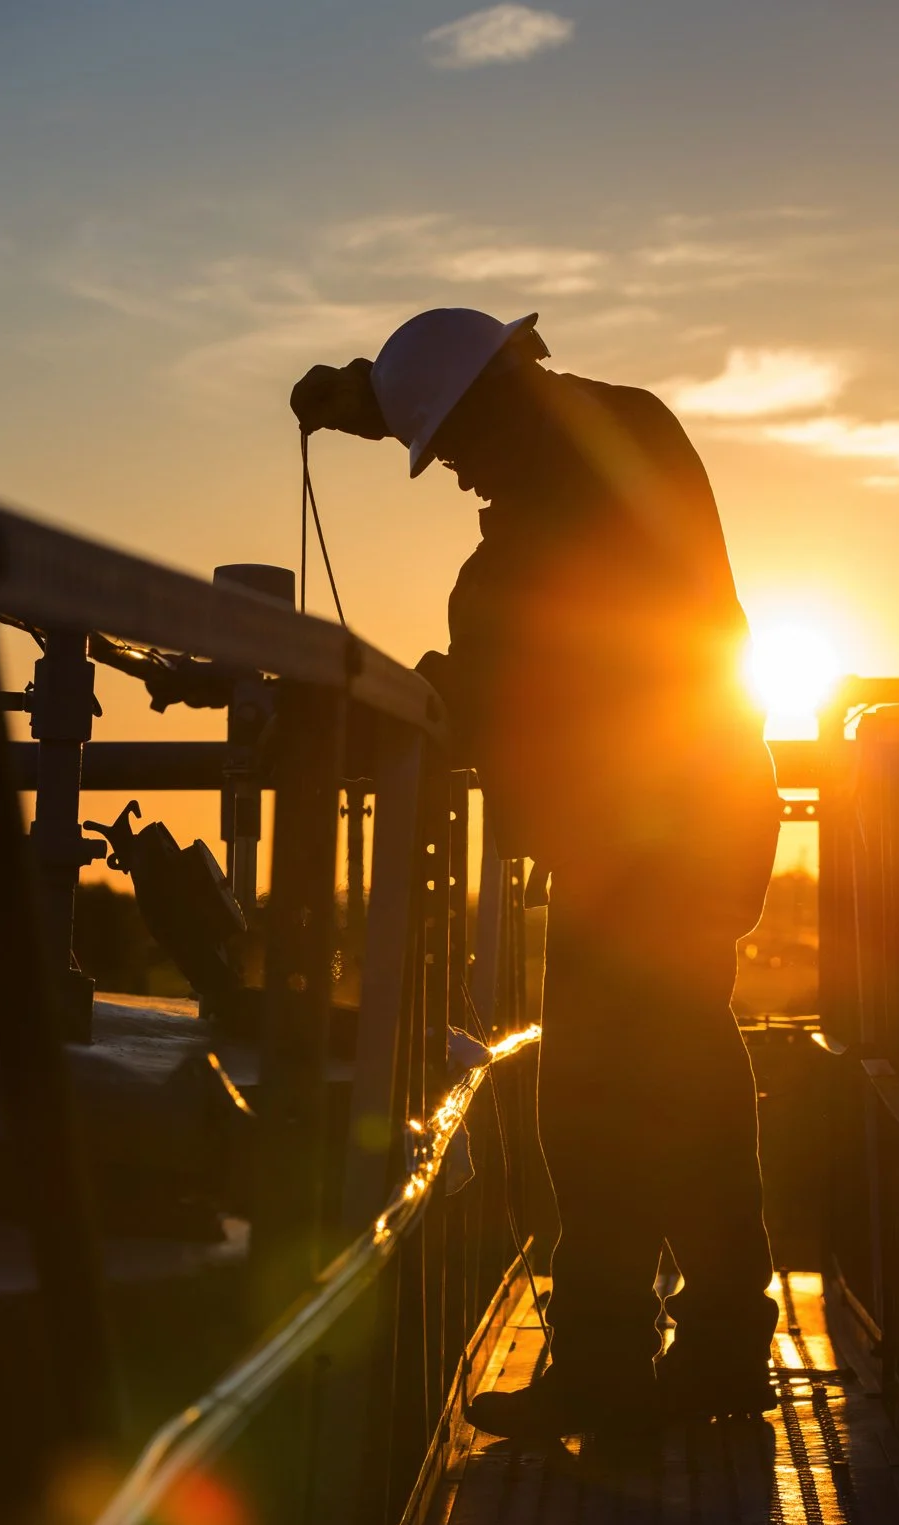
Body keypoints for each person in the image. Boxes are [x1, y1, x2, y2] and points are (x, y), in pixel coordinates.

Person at [291, 308, 781, 1438]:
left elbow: (489, 688)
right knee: (692, 1078)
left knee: (599, 1103)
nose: (460, 478)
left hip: (641, 850)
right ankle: (716, 1345)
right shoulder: (631, 429)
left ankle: (612, 1363)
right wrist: (383, 396)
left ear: (495, 410)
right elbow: (508, 419)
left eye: (456, 451)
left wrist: (386, 699)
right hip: (703, 820)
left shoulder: (523, 552)